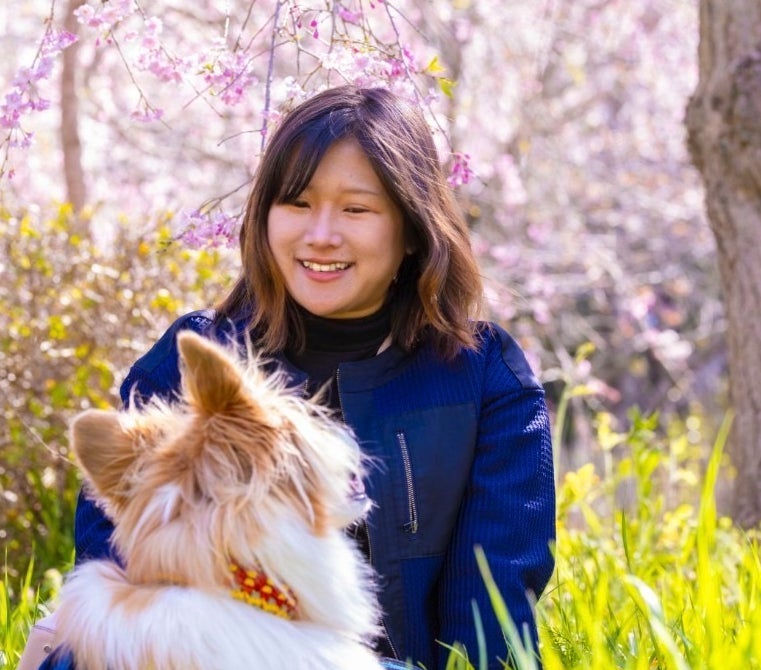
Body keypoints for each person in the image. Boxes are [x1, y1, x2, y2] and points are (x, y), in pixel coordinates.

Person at [44, 85, 555, 670]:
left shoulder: (484, 377)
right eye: (297, 203)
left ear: (413, 228)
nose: (321, 235)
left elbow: (490, 615)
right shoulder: (191, 358)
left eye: (356, 209)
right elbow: (115, 568)